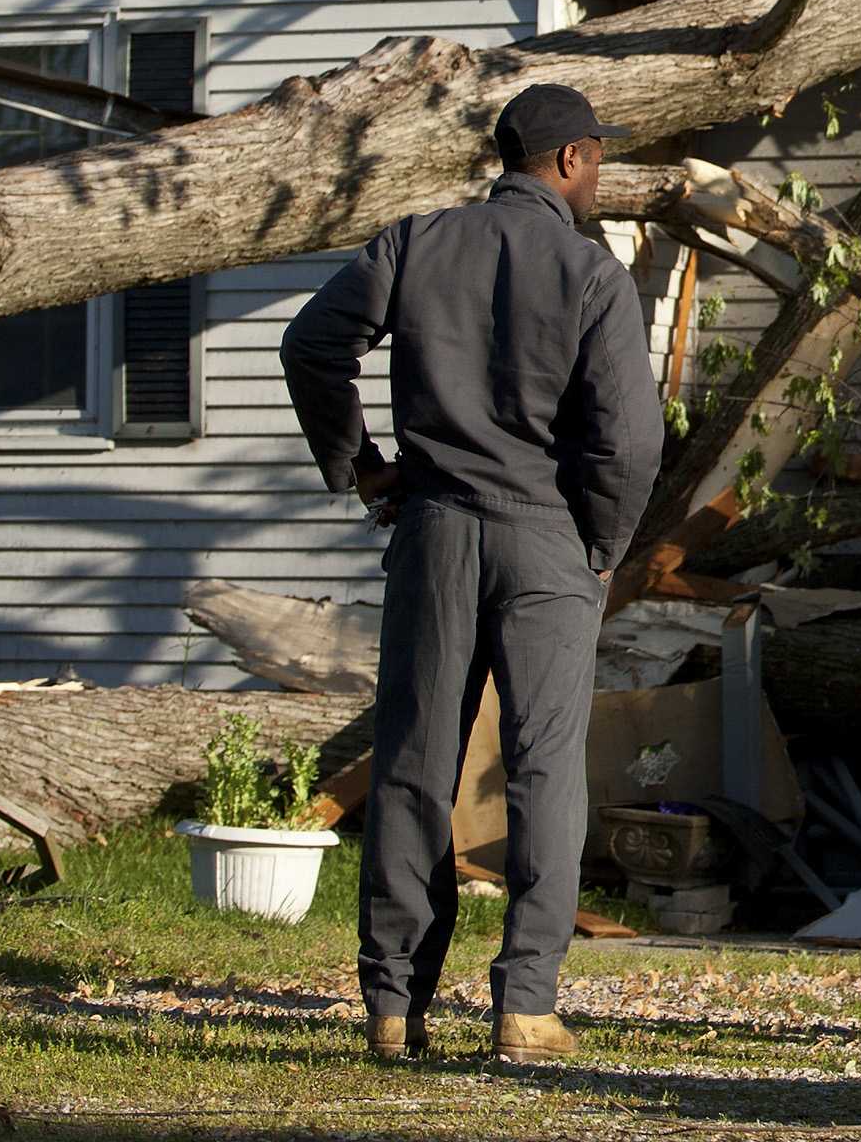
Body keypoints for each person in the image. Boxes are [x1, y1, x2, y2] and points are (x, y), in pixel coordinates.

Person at [280, 83, 662, 1068]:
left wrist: (363, 467)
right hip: (546, 537)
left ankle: (394, 1006)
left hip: (435, 525)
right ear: (573, 161)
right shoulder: (588, 273)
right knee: (543, 768)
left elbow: (313, 344)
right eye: (598, 158)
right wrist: (604, 547)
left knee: (414, 764)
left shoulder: (415, 243)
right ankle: (525, 1005)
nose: (600, 174)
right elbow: (629, 439)